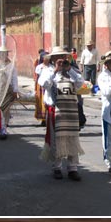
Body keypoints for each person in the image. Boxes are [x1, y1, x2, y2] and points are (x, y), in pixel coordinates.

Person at [38, 46, 85, 181]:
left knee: (72, 139)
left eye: (63, 57)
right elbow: (44, 84)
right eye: (57, 57)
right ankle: (57, 167)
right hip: (56, 111)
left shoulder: (72, 72)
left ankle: (73, 168)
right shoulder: (48, 71)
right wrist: (55, 71)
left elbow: (80, 83)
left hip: (71, 111)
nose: (61, 60)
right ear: (52, 59)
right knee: (57, 140)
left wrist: (69, 69)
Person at [0, 47, 18, 140]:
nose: (2, 55)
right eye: (1, 53)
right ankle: (0, 127)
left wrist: (15, 90)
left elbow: (14, 78)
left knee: (5, 110)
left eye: (4, 53)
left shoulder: (11, 66)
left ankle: (3, 127)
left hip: (7, 90)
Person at [33, 49, 48, 126]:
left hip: (48, 87)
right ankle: (43, 119)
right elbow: (37, 77)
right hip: (41, 87)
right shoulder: (39, 67)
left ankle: (48, 118)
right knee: (41, 103)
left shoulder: (51, 67)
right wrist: (36, 88)